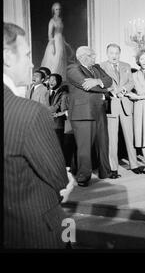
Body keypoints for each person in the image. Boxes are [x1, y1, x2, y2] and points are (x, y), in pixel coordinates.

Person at [3, 22, 74, 248]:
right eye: (26, 55)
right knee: (68, 231)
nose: (32, 62)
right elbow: (59, 180)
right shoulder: (28, 113)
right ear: (7, 57)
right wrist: (68, 180)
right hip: (32, 231)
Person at [66, 46, 113, 186]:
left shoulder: (97, 67)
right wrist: (106, 89)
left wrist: (98, 81)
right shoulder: (73, 69)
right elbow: (86, 85)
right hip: (83, 113)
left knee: (103, 143)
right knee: (84, 147)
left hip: (99, 110)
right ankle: (83, 176)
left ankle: (106, 172)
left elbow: (109, 79)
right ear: (83, 56)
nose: (95, 57)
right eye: (92, 55)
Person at [100, 43, 142, 176]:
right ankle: (113, 168)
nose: (114, 56)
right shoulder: (101, 67)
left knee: (130, 137)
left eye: (116, 53)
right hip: (112, 105)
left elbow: (131, 82)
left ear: (120, 54)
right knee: (112, 140)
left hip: (126, 104)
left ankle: (134, 164)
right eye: (111, 53)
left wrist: (123, 89)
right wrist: (114, 91)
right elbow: (101, 84)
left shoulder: (126, 66)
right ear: (107, 54)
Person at [40, 2, 73, 80]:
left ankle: (60, 79)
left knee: (61, 59)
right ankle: (52, 79)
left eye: (59, 9)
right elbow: (49, 35)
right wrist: (53, 47)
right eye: (56, 9)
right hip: (54, 42)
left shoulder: (60, 20)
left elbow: (61, 33)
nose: (58, 11)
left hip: (61, 41)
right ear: (53, 10)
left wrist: (66, 43)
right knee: (55, 60)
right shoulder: (52, 21)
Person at [47, 73, 68, 148]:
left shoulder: (63, 94)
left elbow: (59, 108)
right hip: (46, 124)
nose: (51, 82)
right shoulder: (46, 92)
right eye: (50, 80)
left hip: (58, 125)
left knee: (57, 148)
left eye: (53, 80)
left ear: (58, 81)